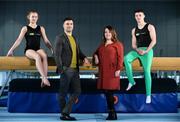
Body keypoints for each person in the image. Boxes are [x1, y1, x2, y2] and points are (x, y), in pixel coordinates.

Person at [54, 17, 90, 121]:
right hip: (66, 69)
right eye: (67, 24)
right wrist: (61, 69)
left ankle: (65, 112)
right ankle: (64, 114)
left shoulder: (74, 38)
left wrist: (84, 58)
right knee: (63, 93)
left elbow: (79, 52)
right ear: (63, 26)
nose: (69, 25)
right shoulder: (60, 37)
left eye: (71, 24)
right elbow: (57, 55)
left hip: (75, 70)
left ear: (73, 26)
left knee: (77, 91)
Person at [7, 10, 53, 87]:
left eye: (36, 17)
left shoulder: (41, 28)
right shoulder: (25, 28)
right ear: (29, 17)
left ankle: (44, 80)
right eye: (32, 17)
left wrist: (51, 49)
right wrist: (11, 50)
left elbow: (46, 40)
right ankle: (44, 78)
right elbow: (18, 40)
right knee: (37, 57)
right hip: (29, 50)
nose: (34, 18)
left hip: (37, 49)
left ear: (37, 18)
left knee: (44, 55)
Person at [124, 9, 156, 103]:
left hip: (148, 50)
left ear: (144, 16)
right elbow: (133, 45)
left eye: (140, 15)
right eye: (136, 15)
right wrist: (138, 50)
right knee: (126, 58)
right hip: (138, 50)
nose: (138, 17)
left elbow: (154, 40)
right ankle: (131, 81)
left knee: (146, 71)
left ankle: (148, 95)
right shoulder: (134, 30)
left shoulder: (150, 27)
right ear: (135, 17)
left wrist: (146, 51)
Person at [93, 25, 124, 120]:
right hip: (103, 71)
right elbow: (95, 53)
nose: (107, 34)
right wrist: (96, 57)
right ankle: (112, 113)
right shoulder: (102, 45)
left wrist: (118, 69)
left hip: (112, 71)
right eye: (106, 32)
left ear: (113, 33)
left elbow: (120, 57)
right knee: (106, 92)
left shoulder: (118, 44)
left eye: (109, 32)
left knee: (109, 92)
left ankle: (112, 113)